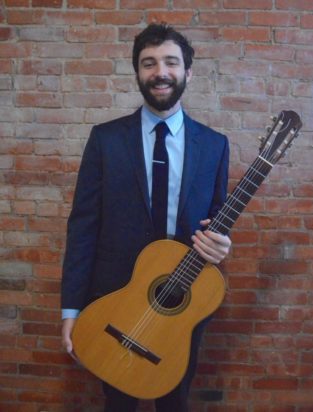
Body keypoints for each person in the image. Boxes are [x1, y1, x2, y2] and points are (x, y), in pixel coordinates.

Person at [61, 23, 231, 412]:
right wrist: (71, 310)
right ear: (137, 72)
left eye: (171, 62)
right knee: (117, 403)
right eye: (148, 63)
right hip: (113, 303)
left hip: (178, 306)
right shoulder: (105, 140)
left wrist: (223, 244)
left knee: (175, 401)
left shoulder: (215, 145)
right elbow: (83, 228)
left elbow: (218, 218)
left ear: (188, 71)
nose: (160, 72)